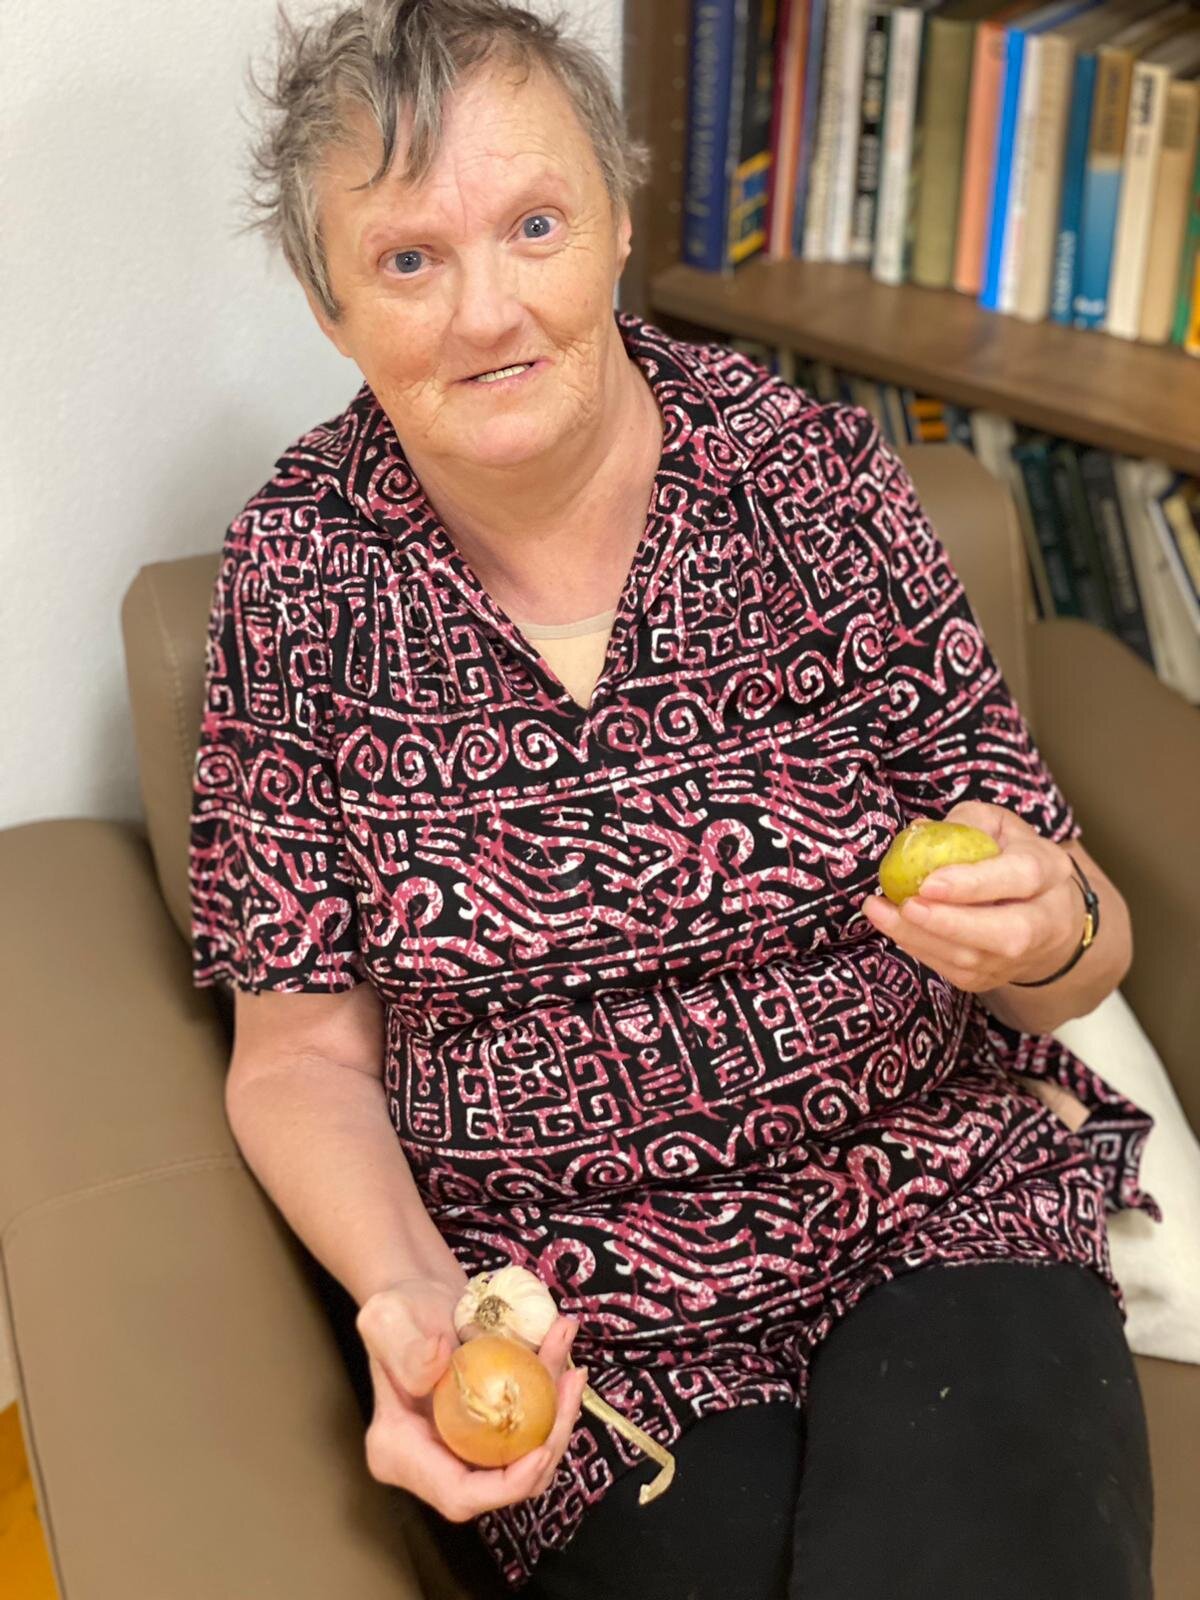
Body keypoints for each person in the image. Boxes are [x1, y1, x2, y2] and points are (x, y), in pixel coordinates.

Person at [186, 3, 1159, 1596]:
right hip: (576, 1312)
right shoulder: (297, 579)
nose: (489, 311)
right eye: (410, 258)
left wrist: (1054, 930)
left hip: (928, 1197)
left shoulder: (807, 477)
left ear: (621, 221)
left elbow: (1080, 935)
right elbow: (297, 1058)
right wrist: (411, 1297)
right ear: (327, 300)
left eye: (537, 225)